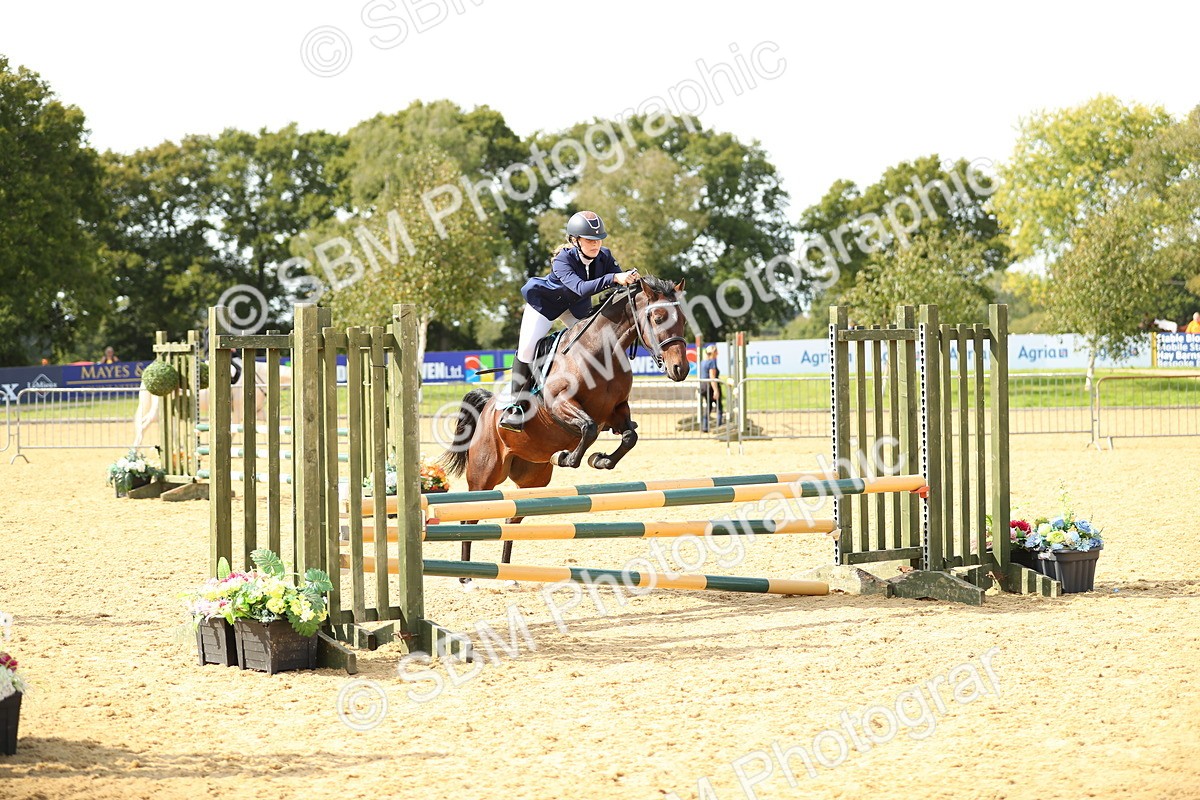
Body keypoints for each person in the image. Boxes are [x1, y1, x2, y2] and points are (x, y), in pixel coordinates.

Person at [499, 211, 640, 431]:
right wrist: (613, 278)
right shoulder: (563, 259)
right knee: (527, 349)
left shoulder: (605, 256)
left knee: (594, 345)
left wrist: (631, 280)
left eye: (599, 239)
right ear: (575, 240)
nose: (596, 244)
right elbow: (580, 288)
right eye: (590, 240)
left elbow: (618, 287)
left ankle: (604, 407)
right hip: (545, 305)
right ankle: (516, 407)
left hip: (576, 308)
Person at [698, 344, 723, 432]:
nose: (717, 354)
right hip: (710, 387)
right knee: (719, 407)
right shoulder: (712, 362)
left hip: (703, 386)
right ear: (713, 352)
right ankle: (719, 426)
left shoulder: (702, 362)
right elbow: (712, 377)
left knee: (708, 407)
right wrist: (716, 390)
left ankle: (705, 426)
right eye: (716, 352)